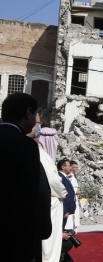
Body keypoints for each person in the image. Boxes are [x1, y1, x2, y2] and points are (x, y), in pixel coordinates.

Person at [0, 92, 52, 261]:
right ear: (28, 112)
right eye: (35, 113)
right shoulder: (25, 145)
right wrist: (43, 228)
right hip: (17, 233)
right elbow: (37, 191)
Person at [34, 122, 67, 262]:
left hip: (46, 204)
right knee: (49, 248)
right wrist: (64, 193)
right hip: (51, 206)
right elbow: (53, 183)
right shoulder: (43, 156)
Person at [58, 159, 76, 228]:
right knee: (60, 229)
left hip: (67, 211)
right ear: (63, 167)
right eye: (69, 166)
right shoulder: (60, 177)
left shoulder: (64, 177)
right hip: (64, 211)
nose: (70, 168)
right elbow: (62, 195)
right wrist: (65, 210)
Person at [65, 160, 81, 232]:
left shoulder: (74, 176)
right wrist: (76, 191)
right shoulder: (69, 177)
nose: (76, 169)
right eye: (74, 167)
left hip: (75, 200)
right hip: (70, 200)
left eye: (76, 167)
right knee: (70, 219)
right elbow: (68, 188)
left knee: (74, 219)